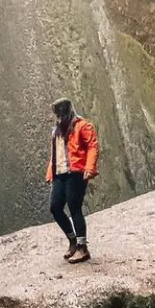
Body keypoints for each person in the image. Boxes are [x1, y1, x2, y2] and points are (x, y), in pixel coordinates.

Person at [46, 98, 98, 263]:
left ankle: (83, 248)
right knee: (55, 207)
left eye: (60, 111)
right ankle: (73, 241)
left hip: (76, 172)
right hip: (60, 173)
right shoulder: (57, 131)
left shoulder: (82, 126)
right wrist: (50, 173)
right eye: (56, 112)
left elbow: (92, 146)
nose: (58, 115)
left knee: (74, 207)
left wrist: (89, 168)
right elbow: (55, 154)